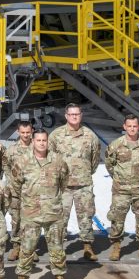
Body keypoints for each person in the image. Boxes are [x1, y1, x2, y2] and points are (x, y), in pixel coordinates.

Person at [9, 129, 73, 279]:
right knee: (27, 248)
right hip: (31, 213)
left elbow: (64, 182)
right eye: (38, 140)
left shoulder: (58, 161)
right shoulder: (23, 161)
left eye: (44, 140)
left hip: (53, 213)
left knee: (57, 249)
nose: (42, 143)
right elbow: (15, 184)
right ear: (33, 141)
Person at [48, 103, 101, 261]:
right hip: (63, 186)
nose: (74, 117)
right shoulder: (56, 135)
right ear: (66, 116)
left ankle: (87, 246)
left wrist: (85, 172)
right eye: (71, 114)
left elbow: (95, 159)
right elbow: (50, 159)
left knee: (86, 216)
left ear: (81, 115)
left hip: (83, 184)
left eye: (77, 114)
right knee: (60, 217)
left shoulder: (90, 135)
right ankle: (58, 248)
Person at [106, 113, 139, 262]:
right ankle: (116, 246)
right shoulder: (116, 145)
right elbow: (110, 165)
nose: (132, 129)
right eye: (129, 126)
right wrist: (118, 180)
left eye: (135, 126)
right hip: (121, 190)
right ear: (124, 127)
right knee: (117, 219)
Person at [7, 119, 35, 261]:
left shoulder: (37, 148)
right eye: (23, 132)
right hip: (16, 191)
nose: (25, 135)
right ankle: (16, 246)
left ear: (32, 132)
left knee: (31, 220)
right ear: (18, 132)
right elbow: (6, 167)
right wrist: (11, 183)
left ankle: (30, 248)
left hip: (32, 191)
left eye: (28, 132)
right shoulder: (11, 150)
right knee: (16, 219)